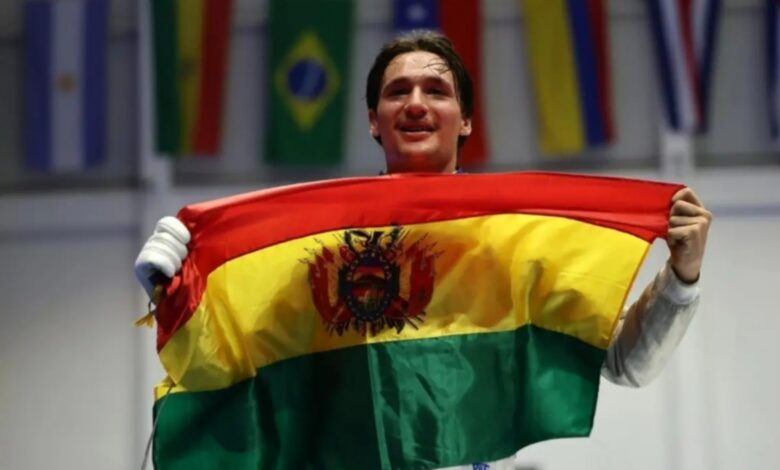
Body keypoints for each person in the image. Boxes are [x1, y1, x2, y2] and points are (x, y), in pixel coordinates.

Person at [136, 32, 712, 470]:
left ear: (466, 122)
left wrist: (680, 279)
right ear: (373, 121)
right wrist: (175, 293)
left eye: (436, 90)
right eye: (397, 92)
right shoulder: (314, 249)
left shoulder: (513, 238)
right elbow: (228, 367)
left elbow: (627, 364)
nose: (415, 103)